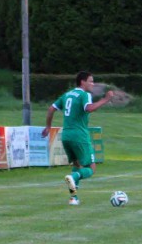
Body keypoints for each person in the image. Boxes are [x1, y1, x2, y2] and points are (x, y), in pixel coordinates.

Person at [42, 71, 115, 205]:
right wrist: (105, 99)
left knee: (77, 165)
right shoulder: (84, 94)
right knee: (91, 168)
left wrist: (48, 127)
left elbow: (51, 109)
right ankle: (73, 177)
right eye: (91, 81)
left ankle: (73, 198)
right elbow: (89, 108)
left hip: (66, 136)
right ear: (82, 82)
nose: (93, 84)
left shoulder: (67, 95)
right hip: (80, 136)